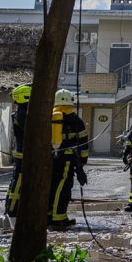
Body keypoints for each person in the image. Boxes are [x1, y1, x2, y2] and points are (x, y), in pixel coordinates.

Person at [48, 88, 87, 228]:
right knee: (63, 186)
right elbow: (83, 143)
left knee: (52, 184)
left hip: (51, 157)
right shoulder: (76, 120)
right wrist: (83, 161)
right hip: (67, 159)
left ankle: (49, 215)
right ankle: (58, 218)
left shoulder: (50, 115)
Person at [5, 84, 30, 217]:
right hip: (24, 153)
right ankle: (12, 210)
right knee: (19, 181)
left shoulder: (20, 112)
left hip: (21, 152)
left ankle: (10, 207)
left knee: (16, 180)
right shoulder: (23, 114)